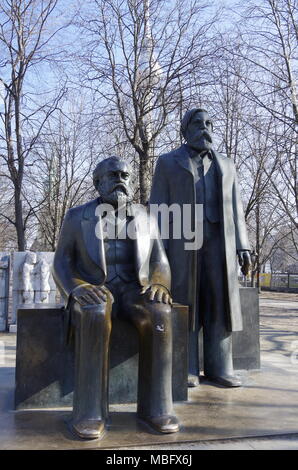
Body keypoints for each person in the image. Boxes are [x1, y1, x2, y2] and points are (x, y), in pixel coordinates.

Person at [53, 156, 179, 440]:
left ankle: (156, 408)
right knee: (95, 311)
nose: (120, 179)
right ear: (97, 183)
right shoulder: (76, 217)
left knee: (160, 313)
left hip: (136, 289)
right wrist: (77, 288)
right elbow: (61, 262)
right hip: (96, 287)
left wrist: (160, 284)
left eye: (125, 175)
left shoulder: (146, 217)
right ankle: (90, 412)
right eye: (112, 175)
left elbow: (159, 259)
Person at [150, 108, 251, 388]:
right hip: (182, 244)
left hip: (221, 243)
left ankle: (220, 367)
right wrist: (156, 250)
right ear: (184, 130)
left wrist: (243, 245)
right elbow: (157, 208)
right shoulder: (168, 162)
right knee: (186, 301)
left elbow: (236, 208)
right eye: (198, 123)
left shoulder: (226, 164)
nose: (205, 128)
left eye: (209, 123)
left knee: (221, 303)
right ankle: (186, 367)